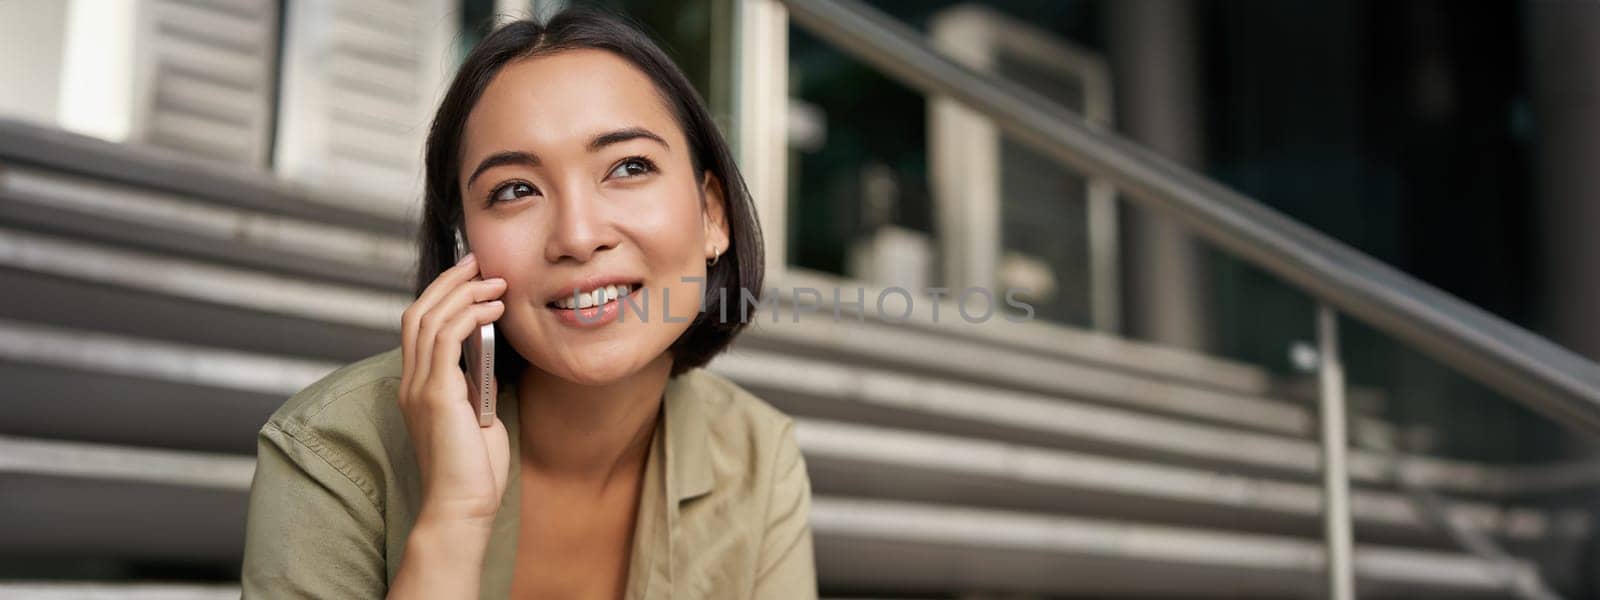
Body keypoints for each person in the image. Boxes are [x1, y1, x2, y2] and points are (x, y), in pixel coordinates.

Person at [239, 7, 817, 599]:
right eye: (516, 190)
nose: (577, 235)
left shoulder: (756, 458)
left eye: (627, 167)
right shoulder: (333, 448)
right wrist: (454, 519)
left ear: (712, 214)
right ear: (465, 245)